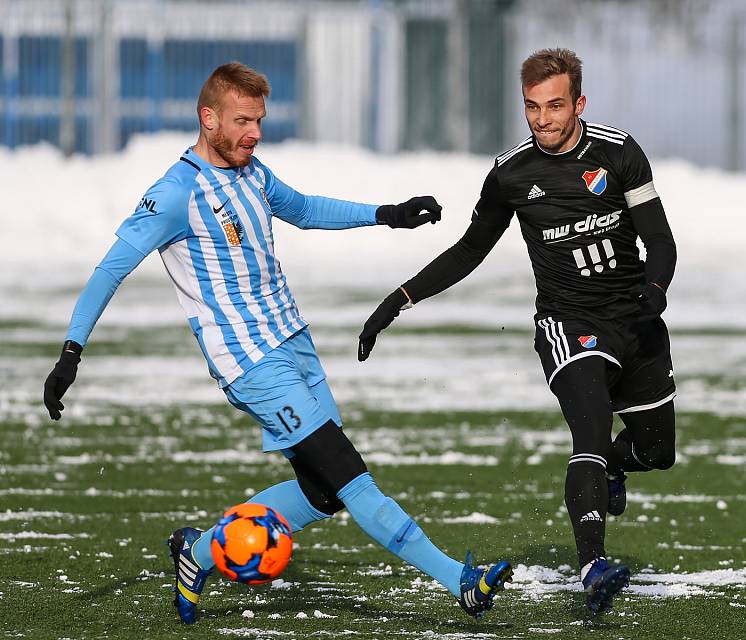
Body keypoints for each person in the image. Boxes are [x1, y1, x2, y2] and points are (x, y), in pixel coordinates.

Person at [42, 62, 512, 625]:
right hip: (252, 363)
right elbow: (109, 270)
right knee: (349, 472)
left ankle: (196, 553)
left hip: (294, 343)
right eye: (242, 121)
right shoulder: (175, 193)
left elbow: (306, 209)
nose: (254, 133)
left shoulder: (252, 174)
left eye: (259, 121)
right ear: (208, 117)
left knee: (323, 492)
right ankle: (458, 581)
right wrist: (72, 352)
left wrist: (388, 215)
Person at [358, 48, 677, 615]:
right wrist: (398, 299)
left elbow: (661, 241)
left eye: (554, 106)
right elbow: (469, 250)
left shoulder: (620, 153)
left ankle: (611, 467)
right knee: (588, 434)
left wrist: (653, 296)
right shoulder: (510, 174)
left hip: (635, 322)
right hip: (568, 323)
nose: (542, 120)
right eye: (531, 107)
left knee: (657, 452)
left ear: (579, 102)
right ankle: (593, 566)